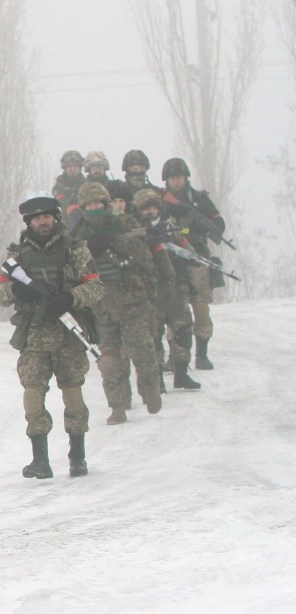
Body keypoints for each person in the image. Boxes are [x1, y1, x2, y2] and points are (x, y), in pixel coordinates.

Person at [0, 194, 103, 478]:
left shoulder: (74, 250)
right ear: (29, 222)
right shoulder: (16, 257)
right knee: (32, 394)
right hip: (34, 336)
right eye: (36, 218)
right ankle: (40, 459)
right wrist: (18, 290)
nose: (42, 222)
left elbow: (95, 287)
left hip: (69, 333)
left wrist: (69, 298)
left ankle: (77, 456)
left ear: (56, 218)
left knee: (73, 393)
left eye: (47, 216)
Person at [71, 182, 161, 425]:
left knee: (141, 350)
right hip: (101, 308)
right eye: (88, 205)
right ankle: (118, 406)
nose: (94, 208)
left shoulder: (124, 224)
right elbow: (73, 269)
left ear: (105, 203)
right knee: (109, 361)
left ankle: (151, 385)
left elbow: (142, 256)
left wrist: (113, 241)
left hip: (131, 301)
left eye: (97, 203)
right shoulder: (78, 234)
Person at [160, 157, 227, 370]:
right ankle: (176, 357)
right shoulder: (161, 201)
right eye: (172, 178)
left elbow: (217, 221)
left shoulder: (199, 199)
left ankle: (202, 354)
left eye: (179, 177)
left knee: (201, 308)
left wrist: (208, 227)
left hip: (198, 258)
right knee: (175, 311)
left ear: (185, 177)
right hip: (172, 259)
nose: (176, 182)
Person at [132, 188, 200, 391]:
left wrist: (179, 252)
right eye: (146, 208)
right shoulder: (132, 232)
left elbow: (191, 254)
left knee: (183, 330)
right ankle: (156, 380)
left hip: (175, 288)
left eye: (154, 207)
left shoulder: (170, 229)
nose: (151, 212)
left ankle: (181, 374)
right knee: (152, 337)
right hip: (150, 291)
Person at [52, 150, 85, 220]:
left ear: (80, 167)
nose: (73, 169)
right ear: (65, 168)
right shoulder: (59, 186)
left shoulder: (87, 184)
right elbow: (62, 207)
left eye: (75, 166)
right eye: (69, 166)